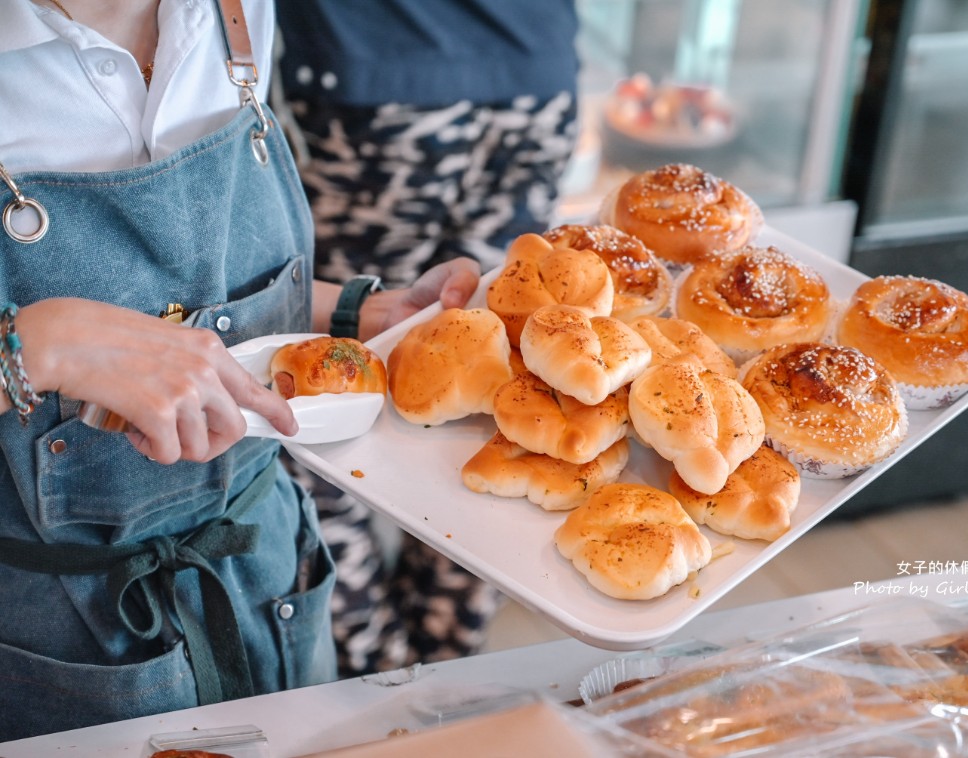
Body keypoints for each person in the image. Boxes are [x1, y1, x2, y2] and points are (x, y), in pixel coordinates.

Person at [0, 0, 478, 741]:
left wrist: (362, 321)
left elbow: (212, 297)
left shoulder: (237, 10)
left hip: (265, 570)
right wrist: (39, 346)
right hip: (56, 632)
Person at [273, 0, 580, 675]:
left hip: (372, 82)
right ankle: (445, 672)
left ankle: (373, 676)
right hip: (534, 75)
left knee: (323, 393)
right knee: (499, 395)